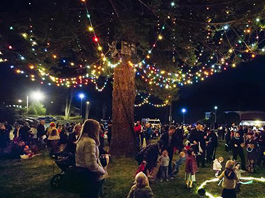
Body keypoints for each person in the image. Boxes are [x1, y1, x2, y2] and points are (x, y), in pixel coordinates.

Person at [76, 119, 107, 198]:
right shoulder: (90, 142)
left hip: (81, 173)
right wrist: (102, 171)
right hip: (89, 175)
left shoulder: (81, 140)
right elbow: (91, 164)